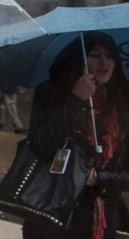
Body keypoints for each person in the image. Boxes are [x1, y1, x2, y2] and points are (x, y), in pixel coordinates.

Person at [23, 31, 129, 239]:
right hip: (52, 207)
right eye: (95, 54)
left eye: (109, 56)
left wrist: (98, 177)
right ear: (80, 60)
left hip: (101, 214)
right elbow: (40, 145)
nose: (103, 62)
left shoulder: (122, 105)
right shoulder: (52, 93)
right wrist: (75, 100)